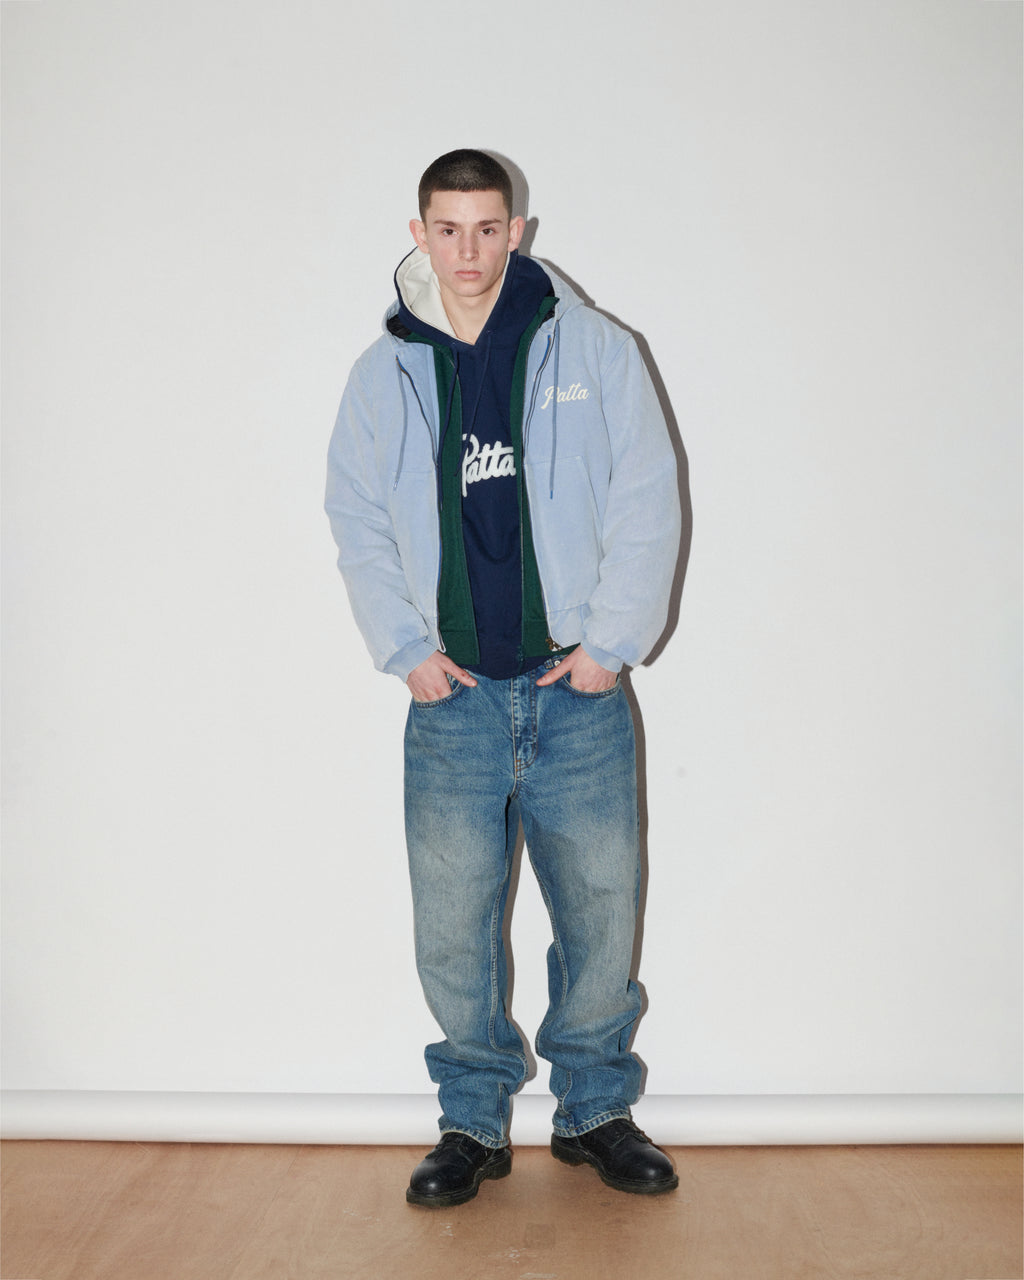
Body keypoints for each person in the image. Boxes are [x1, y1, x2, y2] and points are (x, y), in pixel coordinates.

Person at [325, 149, 681, 1207]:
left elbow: (647, 491)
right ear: (420, 233)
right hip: (455, 701)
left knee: (601, 909)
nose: (469, 250)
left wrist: (611, 644)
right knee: (453, 926)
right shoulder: (383, 372)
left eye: (488, 228)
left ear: (516, 230)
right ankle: (471, 1121)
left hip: (577, 694)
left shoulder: (596, 347)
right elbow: (355, 517)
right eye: (448, 229)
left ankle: (594, 1111)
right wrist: (405, 649)